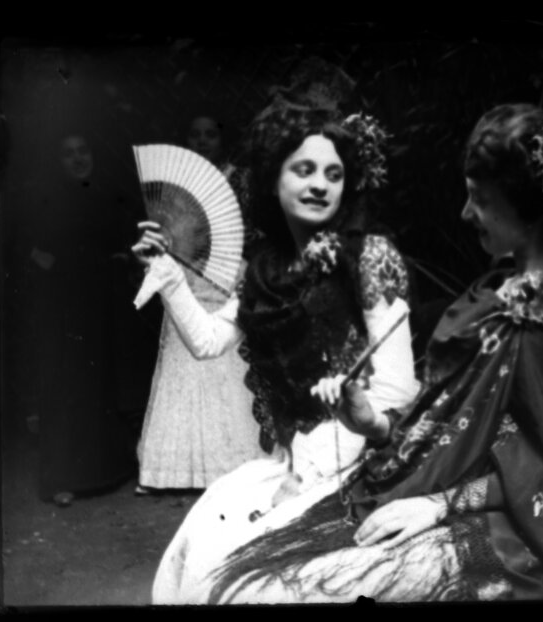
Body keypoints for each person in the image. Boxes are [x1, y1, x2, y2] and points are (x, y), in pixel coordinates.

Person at [152, 103, 543, 603]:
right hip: (407, 476)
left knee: (285, 589)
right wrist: (374, 424)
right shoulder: (487, 293)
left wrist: (439, 505)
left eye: (478, 199)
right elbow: (441, 421)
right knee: (230, 568)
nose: (464, 213)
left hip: (521, 522)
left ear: (525, 201)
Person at [135, 83, 420, 594]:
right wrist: (171, 277)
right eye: (304, 170)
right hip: (290, 464)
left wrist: (333, 451)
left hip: (363, 462)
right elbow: (208, 341)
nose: (320, 185)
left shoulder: (368, 257)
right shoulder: (264, 270)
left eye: (333, 174)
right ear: (273, 179)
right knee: (202, 560)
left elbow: (398, 390)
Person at [134, 112, 263, 494]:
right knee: (183, 354)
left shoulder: (239, 179)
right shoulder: (176, 186)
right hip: (186, 270)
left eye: (210, 134)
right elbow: (166, 229)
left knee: (225, 356)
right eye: (196, 134)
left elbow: (250, 228)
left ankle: (230, 463)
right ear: (187, 140)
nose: (203, 141)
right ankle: (174, 470)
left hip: (227, 271)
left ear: (222, 139)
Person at [26, 132, 137, 507]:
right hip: (61, 306)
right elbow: (29, 248)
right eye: (68, 154)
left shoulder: (105, 195)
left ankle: (105, 472)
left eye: (83, 151)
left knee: (99, 382)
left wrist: (120, 258)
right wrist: (44, 262)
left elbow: (119, 243)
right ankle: (62, 478)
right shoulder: (45, 200)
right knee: (65, 386)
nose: (78, 159)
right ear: (58, 162)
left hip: (98, 302)